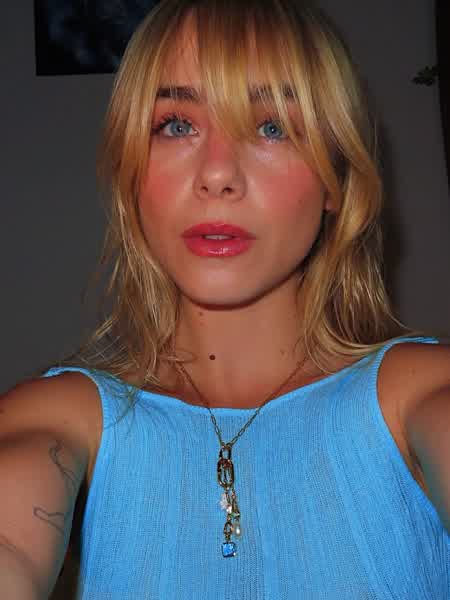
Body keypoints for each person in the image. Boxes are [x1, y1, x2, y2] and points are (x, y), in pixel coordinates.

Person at [1, 0, 450, 598]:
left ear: (335, 181)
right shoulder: (53, 416)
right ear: (131, 172)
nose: (217, 174)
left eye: (272, 127)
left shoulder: (424, 394)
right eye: (176, 125)